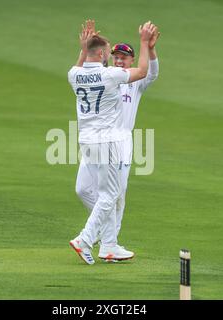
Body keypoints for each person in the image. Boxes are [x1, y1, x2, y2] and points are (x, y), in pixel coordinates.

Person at [68, 21, 157, 265]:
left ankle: (108, 246)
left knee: (109, 193)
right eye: (108, 52)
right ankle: (85, 239)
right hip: (108, 140)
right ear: (102, 54)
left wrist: (84, 48)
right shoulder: (110, 75)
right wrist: (143, 42)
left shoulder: (73, 74)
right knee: (110, 194)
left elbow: (80, 66)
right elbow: (141, 72)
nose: (111, 56)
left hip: (86, 139)